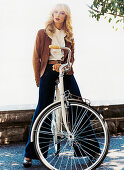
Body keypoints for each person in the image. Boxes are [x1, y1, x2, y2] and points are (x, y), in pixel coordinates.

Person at [23, 3, 100, 168]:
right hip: (48, 71)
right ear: (52, 14)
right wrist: (39, 79)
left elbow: (71, 58)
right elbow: (35, 58)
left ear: (66, 16)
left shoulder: (69, 35)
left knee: (78, 106)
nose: (58, 15)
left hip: (65, 71)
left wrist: (64, 66)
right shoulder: (42, 33)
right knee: (43, 109)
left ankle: (91, 150)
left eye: (62, 13)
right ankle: (31, 154)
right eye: (56, 12)